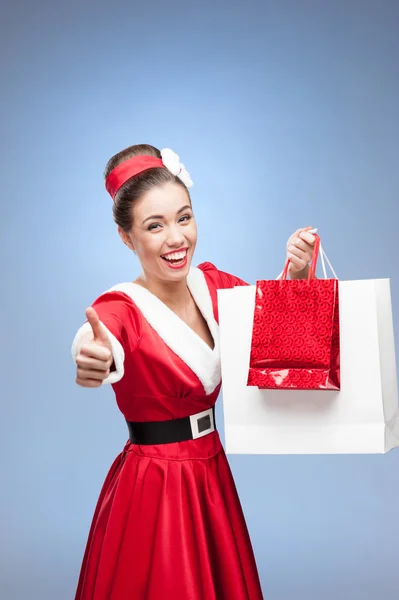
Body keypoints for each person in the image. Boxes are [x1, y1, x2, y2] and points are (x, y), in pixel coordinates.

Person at [71, 144, 316, 600]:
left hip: (210, 468)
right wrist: (92, 356)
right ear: (127, 238)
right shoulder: (121, 305)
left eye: (184, 218)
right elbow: (101, 335)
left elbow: (276, 332)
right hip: (154, 481)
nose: (176, 238)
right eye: (154, 226)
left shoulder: (215, 285)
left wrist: (297, 271)